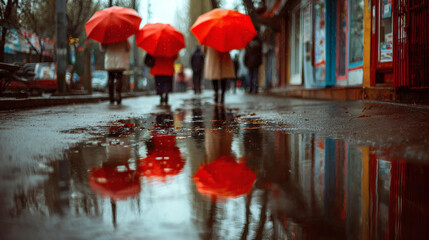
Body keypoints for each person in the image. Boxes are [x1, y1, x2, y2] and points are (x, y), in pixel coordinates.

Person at [100, 40, 130, 104]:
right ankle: (118, 94)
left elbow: (102, 49)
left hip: (110, 61)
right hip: (120, 60)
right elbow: (128, 48)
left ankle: (111, 97)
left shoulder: (107, 37)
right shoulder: (123, 37)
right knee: (119, 78)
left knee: (111, 78)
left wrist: (102, 43)